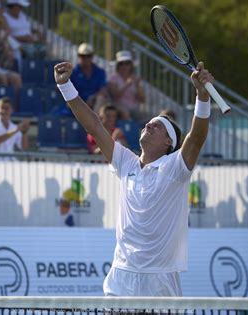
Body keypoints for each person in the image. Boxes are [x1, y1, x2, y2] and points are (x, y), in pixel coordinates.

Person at [54, 61, 212, 296]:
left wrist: (202, 96)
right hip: (121, 276)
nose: (148, 124)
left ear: (169, 142)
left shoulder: (175, 167)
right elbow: (96, 127)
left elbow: (196, 138)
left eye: (157, 126)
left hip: (160, 279)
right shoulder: (126, 162)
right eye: (148, 123)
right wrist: (65, 86)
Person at [108, 50, 145, 120]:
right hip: (118, 107)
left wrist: (137, 86)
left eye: (127, 63)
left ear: (131, 65)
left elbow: (142, 99)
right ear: (118, 65)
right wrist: (127, 85)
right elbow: (115, 95)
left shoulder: (135, 78)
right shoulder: (113, 78)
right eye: (121, 63)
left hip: (134, 109)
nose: (124, 66)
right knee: (125, 113)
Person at [70, 43, 108, 110]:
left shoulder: (100, 72)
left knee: (101, 99)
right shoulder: (72, 73)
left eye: (88, 56)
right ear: (79, 56)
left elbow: (103, 90)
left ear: (92, 56)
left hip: (94, 103)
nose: (86, 58)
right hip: (77, 103)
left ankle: (94, 119)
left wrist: (93, 97)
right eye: (83, 56)